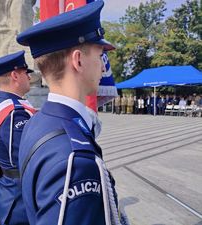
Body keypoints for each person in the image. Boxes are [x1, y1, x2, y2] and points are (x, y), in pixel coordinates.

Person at [17, 2, 129, 225]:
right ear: (78, 60)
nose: (103, 67)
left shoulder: (38, 121)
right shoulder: (74, 158)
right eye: (100, 56)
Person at [0, 50, 36, 224]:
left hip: (13, 191)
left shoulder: (6, 105)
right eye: (26, 72)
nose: (29, 77)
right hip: (19, 197)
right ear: (15, 75)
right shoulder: (14, 112)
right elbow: (26, 159)